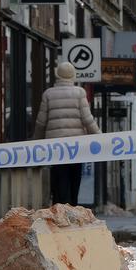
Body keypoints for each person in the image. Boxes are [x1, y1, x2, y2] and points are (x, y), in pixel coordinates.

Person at [33, 60, 99, 207]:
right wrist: (101, 137)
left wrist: (36, 141)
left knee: (59, 178)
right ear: (73, 75)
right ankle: (72, 207)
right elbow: (88, 120)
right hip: (76, 147)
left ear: (58, 75)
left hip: (55, 146)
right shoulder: (79, 93)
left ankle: (59, 207)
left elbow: (41, 122)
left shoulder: (48, 94)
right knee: (75, 178)